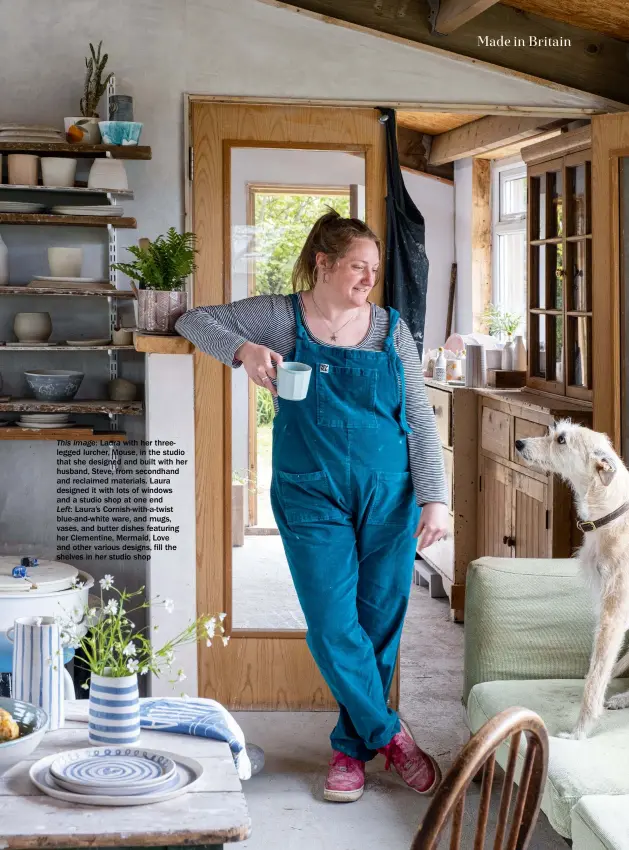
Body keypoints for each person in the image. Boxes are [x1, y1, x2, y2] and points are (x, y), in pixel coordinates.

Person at [176, 211, 449, 803]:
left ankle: (350, 751)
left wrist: (435, 497)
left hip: (390, 493)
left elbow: (420, 417)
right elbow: (193, 319)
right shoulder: (280, 316)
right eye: (358, 266)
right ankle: (392, 736)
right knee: (331, 623)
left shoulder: (390, 329)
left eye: (374, 270)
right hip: (309, 489)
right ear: (323, 263)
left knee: (379, 624)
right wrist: (243, 350)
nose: (368, 280)